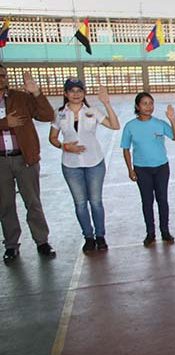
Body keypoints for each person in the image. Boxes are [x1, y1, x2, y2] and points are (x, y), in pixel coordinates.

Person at [48, 78, 120, 253]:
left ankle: (100, 236)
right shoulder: (59, 114)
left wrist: (107, 103)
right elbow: (53, 138)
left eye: (79, 91)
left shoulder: (92, 111)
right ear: (65, 94)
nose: (76, 94)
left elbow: (114, 125)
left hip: (94, 162)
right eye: (71, 91)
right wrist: (65, 147)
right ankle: (88, 237)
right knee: (80, 203)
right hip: (71, 165)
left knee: (95, 202)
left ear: (84, 93)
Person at [0, 67, 57, 263]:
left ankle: (42, 241)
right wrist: (4, 123)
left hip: (24, 159)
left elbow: (48, 115)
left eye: (4, 76)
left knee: (33, 201)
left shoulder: (20, 98)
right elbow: (5, 123)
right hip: (1, 162)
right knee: (5, 204)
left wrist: (36, 93)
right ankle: (11, 245)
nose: (2, 79)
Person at [120, 93, 175, 246]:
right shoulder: (130, 126)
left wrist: (172, 120)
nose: (148, 107)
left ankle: (165, 231)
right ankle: (150, 232)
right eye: (144, 103)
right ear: (137, 106)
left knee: (162, 200)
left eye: (151, 103)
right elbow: (126, 149)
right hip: (142, 169)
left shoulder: (160, 124)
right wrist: (130, 169)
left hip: (161, 168)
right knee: (147, 201)